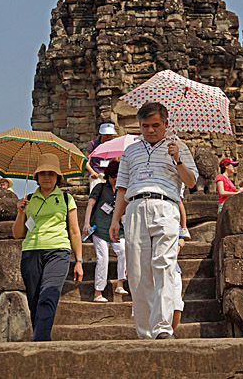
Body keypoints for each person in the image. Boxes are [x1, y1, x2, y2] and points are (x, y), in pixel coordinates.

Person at [109, 101, 198, 339]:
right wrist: (115, 219)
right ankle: (145, 332)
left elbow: (191, 182)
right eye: (145, 125)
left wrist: (177, 159)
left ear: (166, 124)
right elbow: (121, 188)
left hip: (166, 206)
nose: (150, 130)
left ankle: (162, 328)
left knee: (164, 265)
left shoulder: (178, 147)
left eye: (156, 125)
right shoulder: (130, 152)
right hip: (135, 207)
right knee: (137, 273)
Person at [12, 154, 83, 341]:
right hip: (31, 251)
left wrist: (79, 261)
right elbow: (18, 234)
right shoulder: (28, 199)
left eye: (51, 173)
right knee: (34, 301)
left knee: (48, 295)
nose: (46, 177)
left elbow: (75, 232)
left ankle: (40, 340)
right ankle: (41, 338)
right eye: (42, 173)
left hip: (58, 250)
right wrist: (20, 213)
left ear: (57, 176)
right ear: (36, 176)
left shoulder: (67, 199)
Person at [82, 160, 128, 302]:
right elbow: (90, 205)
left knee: (124, 250)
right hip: (99, 227)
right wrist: (86, 223)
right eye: (113, 175)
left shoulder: (123, 191)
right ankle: (98, 292)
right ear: (108, 175)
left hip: (116, 228)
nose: (115, 178)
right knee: (103, 258)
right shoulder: (100, 188)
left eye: (118, 175)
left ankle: (120, 283)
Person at [86, 122, 117, 192]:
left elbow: (116, 160)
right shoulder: (93, 144)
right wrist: (92, 172)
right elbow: (86, 160)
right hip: (97, 175)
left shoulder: (114, 143)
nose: (109, 136)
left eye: (110, 134)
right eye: (107, 134)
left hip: (110, 175)